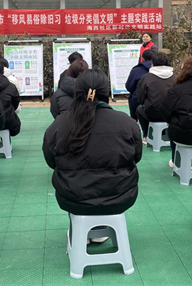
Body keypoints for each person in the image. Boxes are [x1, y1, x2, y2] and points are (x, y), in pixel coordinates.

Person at [43, 70, 142, 225]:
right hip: (121, 197)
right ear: (106, 92)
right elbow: (137, 156)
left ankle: (82, 231)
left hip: (73, 199)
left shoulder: (59, 124)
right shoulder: (127, 122)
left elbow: (50, 160)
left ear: (77, 92)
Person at [136, 52, 176, 142]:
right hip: (173, 115)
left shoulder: (146, 77)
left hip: (153, 114)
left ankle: (147, 135)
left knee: (139, 109)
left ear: (153, 63)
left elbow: (140, 98)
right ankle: (165, 134)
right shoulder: (176, 77)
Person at [125, 49, 155, 120]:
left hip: (139, 102)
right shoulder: (164, 71)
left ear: (142, 58)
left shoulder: (136, 70)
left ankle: (134, 120)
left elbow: (129, 87)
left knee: (132, 98)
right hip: (159, 103)